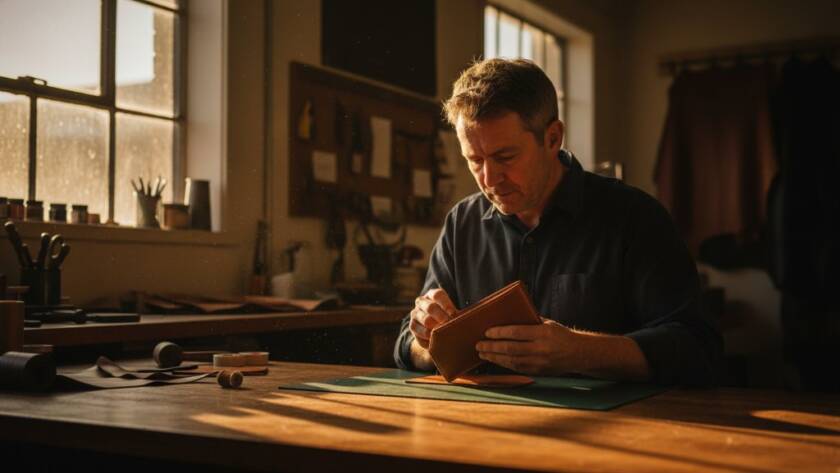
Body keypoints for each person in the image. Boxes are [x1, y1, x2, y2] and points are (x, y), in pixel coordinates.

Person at [393, 58, 723, 385]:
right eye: (474, 160)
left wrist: (581, 351)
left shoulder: (635, 217)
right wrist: (426, 341)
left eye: (505, 157)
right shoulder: (461, 224)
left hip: (614, 428)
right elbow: (406, 346)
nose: (490, 179)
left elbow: (697, 349)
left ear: (553, 138)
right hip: (487, 427)